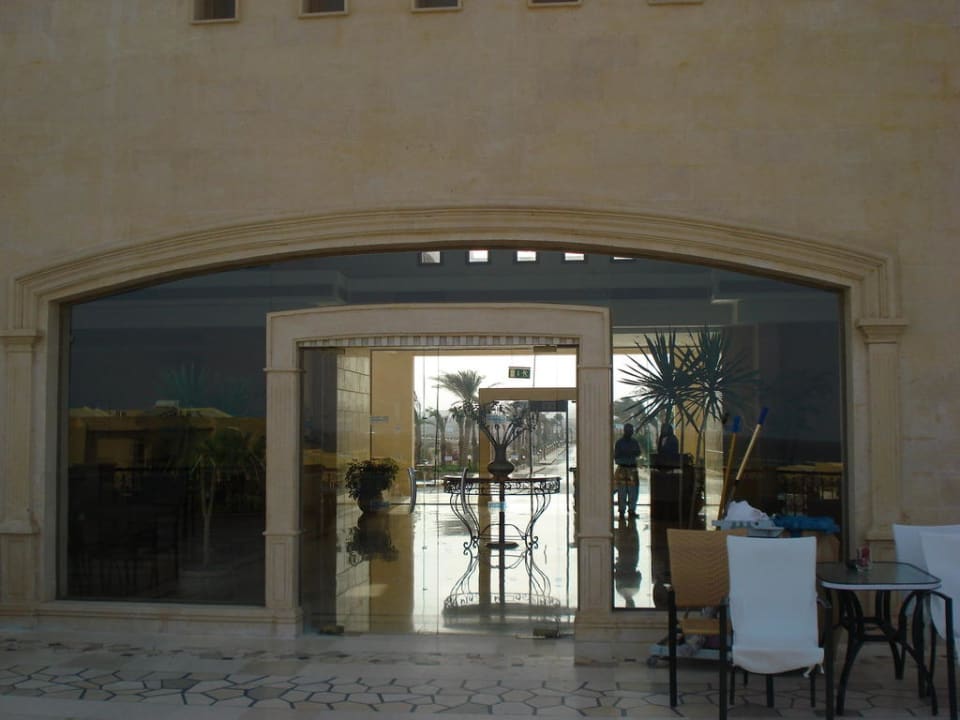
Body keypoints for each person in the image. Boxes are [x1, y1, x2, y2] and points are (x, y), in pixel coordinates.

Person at [614, 423, 642, 517]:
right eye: (629, 430)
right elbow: (616, 456)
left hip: (630, 468)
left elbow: (638, 452)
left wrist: (630, 453)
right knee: (622, 491)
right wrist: (629, 453)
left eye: (631, 430)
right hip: (623, 468)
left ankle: (630, 510)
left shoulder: (632, 442)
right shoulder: (620, 442)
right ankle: (623, 510)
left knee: (632, 491)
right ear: (625, 431)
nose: (630, 432)